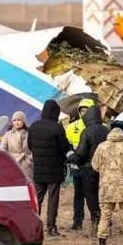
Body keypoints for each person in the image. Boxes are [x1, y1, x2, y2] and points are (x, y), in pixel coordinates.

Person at [27, 100, 71, 237]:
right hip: (54, 169)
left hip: (39, 169)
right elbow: (64, 148)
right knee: (53, 199)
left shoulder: (34, 126)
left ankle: (34, 227)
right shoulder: (57, 128)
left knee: (37, 199)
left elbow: (29, 146)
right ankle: (51, 228)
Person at [71, 104, 108, 236]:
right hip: (104, 170)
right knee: (103, 197)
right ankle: (105, 222)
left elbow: (81, 152)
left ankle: (96, 221)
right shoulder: (106, 130)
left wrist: (72, 159)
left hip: (88, 169)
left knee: (91, 197)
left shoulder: (86, 131)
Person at [65, 99, 91, 231]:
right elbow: (68, 144)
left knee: (94, 196)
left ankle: (97, 220)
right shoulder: (72, 126)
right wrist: (72, 158)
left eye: (87, 110)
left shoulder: (99, 126)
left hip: (91, 166)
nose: (84, 113)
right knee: (78, 195)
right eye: (82, 110)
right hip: (77, 166)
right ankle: (77, 221)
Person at [0, 110, 33, 179]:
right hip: (12, 164)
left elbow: (30, 151)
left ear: (23, 121)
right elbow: (2, 149)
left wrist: (28, 163)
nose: (16, 123)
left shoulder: (28, 133)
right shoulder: (8, 134)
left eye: (19, 120)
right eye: (14, 120)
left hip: (26, 166)